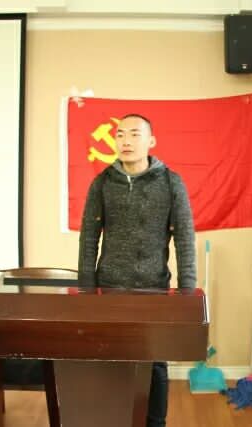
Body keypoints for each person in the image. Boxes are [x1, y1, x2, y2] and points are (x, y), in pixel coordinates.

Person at [78, 113, 196, 427]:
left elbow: (185, 238)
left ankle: (155, 423)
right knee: (109, 362)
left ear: (151, 141)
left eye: (134, 134)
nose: (126, 141)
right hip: (109, 288)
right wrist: (86, 289)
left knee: (154, 363)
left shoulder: (170, 182)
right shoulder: (102, 183)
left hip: (153, 288)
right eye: (120, 134)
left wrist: (187, 292)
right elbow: (89, 238)